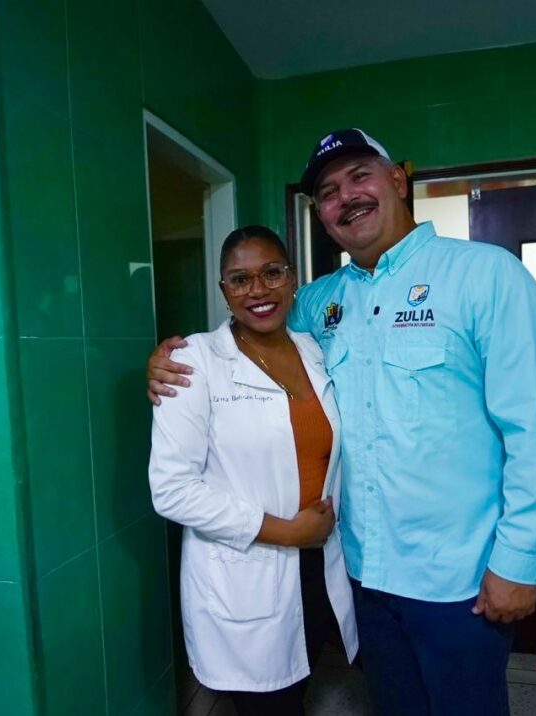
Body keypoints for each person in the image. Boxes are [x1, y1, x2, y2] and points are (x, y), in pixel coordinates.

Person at [148, 128, 536, 715]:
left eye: (359, 177)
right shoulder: (318, 302)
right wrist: (173, 360)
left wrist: (518, 560)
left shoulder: (486, 276)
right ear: (320, 215)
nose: (345, 197)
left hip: (461, 577)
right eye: (328, 192)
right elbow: (250, 335)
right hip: (362, 576)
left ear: (397, 179)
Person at [148, 226, 358, 716]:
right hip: (249, 570)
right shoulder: (193, 362)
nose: (258, 290)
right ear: (223, 290)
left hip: (319, 566)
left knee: (302, 685)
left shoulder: (315, 349)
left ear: (292, 278)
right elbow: (172, 490)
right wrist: (287, 532)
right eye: (240, 280)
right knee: (269, 704)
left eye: (271, 273)